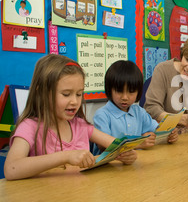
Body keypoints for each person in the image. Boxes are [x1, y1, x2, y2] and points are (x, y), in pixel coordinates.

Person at [4, 55, 137, 180]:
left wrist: (126, 153)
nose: (74, 101)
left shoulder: (80, 125)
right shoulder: (29, 127)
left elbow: (119, 145)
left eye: (79, 94)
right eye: (66, 94)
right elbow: (11, 169)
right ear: (42, 92)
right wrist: (66, 156)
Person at [93, 60, 178, 154]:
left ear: (138, 92)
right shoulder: (102, 115)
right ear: (109, 89)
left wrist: (169, 134)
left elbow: (159, 130)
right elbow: (104, 147)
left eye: (131, 91)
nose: (125, 97)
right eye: (119, 91)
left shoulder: (139, 112)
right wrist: (139, 143)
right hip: (109, 167)